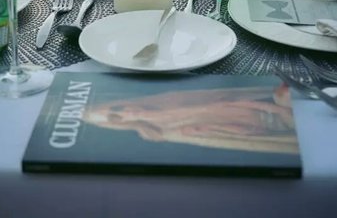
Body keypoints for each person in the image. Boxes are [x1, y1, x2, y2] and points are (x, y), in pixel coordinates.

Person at [82, 82, 299, 155]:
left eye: (117, 108)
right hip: (274, 122)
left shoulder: (165, 97)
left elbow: (230, 97)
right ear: (118, 126)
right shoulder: (162, 131)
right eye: (117, 118)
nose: (127, 112)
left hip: (271, 103)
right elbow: (236, 133)